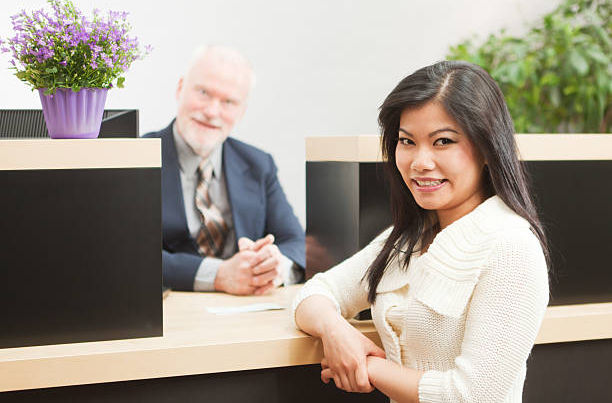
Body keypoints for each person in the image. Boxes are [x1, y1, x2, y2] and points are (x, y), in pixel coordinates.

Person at [292, 61, 549, 402]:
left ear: (486, 148)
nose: (420, 162)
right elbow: (315, 293)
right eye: (406, 141)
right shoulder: (407, 239)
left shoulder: (511, 246)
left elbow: (473, 395)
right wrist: (336, 332)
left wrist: (366, 366)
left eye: (443, 141)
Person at [145, 45, 305, 295]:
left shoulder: (258, 164)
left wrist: (273, 268)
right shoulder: (136, 158)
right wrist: (218, 275)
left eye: (229, 102)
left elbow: (295, 243)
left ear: (242, 111)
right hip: (168, 315)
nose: (211, 112)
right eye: (203, 93)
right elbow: (125, 254)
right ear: (180, 88)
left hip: (248, 313)